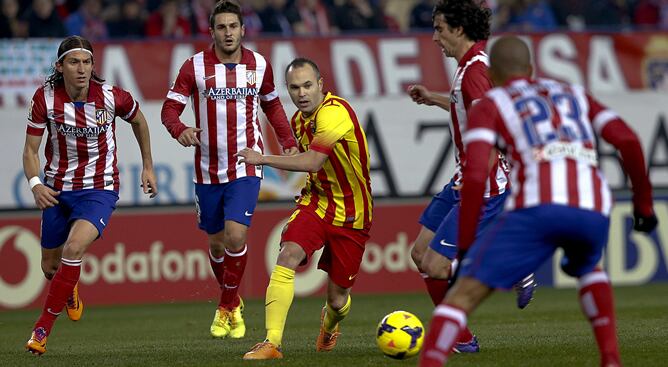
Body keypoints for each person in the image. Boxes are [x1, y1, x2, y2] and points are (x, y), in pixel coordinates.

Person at [419, 36, 658, 367]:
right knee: (590, 267)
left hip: (536, 205)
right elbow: (629, 140)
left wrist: (464, 251)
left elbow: (475, 175)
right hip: (592, 205)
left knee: (460, 297)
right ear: (530, 68)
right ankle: (611, 359)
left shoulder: (494, 102)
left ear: (496, 76)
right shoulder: (572, 92)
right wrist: (642, 206)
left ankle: (433, 359)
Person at [160, 0, 298, 340]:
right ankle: (233, 302)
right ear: (212, 31)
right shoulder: (194, 67)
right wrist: (181, 130)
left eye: (232, 26)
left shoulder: (259, 65)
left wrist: (288, 141)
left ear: (242, 29)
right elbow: (169, 110)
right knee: (218, 243)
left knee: (237, 234)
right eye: (221, 27)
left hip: (245, 166)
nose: (228, 32)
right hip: (207, 171)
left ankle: (224, 306)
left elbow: (273, 106)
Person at [406, 0, 536, 353]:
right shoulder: (470, 67)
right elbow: (466, 106)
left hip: (483, 184)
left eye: (440, 29)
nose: (435, 38)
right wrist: (432, 97)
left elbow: (491, 129)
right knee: (420, 254)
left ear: (459, 30)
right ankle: (462, 339)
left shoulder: (476, 68)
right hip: (463, 178)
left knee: (435, 264)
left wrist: (478, 180)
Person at [23, 35, 158, 355]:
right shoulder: (45, 99)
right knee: (49, 267)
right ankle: (68, 286)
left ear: (93, 66)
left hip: (100, 188)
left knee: (74, 246)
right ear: (60, 66)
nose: (82, 69)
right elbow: (30, 150)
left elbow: (139, 120)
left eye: (87, 62)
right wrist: (35, 184)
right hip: (58, 189)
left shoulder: (112, 96)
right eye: (74, 62)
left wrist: (148, 166)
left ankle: (40, 331)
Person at [237, 57, 373, 360]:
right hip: (317, 201)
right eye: (295, 87)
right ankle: (272, 343)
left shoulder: (334, 113)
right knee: (287, 254)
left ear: (321, 85)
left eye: (308, 85)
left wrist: (263, 159)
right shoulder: (299, 121)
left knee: (338, 300)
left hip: (353, 213)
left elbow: (312, 161)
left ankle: (329, 325)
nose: (302, 93)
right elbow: (315, 170)